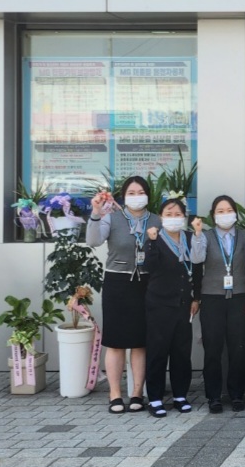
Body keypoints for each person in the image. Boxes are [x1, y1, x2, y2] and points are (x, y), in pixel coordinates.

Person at [86, 175, 160, 414]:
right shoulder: (112, 218)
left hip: (146, 283)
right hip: (117, 282)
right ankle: (115, 393)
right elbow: (93, 240)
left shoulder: (157, 220)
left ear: (148, 195)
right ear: (124, 196)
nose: (137, 197)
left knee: (140, 342)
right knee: (116, 342)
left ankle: (137, 392)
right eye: (131, 193)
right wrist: (96, 213)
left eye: (141, 192)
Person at [190, 196, 245, 413]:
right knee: (213, 349)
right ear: (213, 215)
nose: (225, 214)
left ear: (235, 213)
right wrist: (197, 234)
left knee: (238, 348)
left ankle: (237, 394)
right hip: (212, 298)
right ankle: (214, 396)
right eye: (220, 211)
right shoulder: (206, 236)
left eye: (229, 210)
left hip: (239, 297)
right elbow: (197, 259)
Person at [142, 199, 198, 417]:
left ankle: (180, 395)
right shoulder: (155, 239)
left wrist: (196, 298)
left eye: (177, 214)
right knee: (158, 352)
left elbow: (198, 269)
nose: (173, 218)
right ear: (161, 217)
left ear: (184, 217)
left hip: (184, 304)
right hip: (159, 304)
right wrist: (151, 242)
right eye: (168, 214)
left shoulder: (191, 238)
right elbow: (149, 266)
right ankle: (155, 398)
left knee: (181, 352)